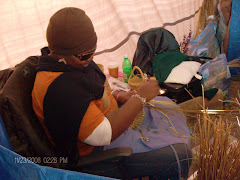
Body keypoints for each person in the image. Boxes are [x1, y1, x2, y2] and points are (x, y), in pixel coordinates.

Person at [32, 7, 192, 179]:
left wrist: (119, 96)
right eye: (85, 55)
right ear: (62, 54)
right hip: (99, 150)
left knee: (167, 104)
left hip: (109, 119)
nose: (91, 58)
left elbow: (93, 92)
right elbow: (103, 134)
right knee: (180, 154)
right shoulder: (60, 90)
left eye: (92, 51)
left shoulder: (69, 62)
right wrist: (140, 98)